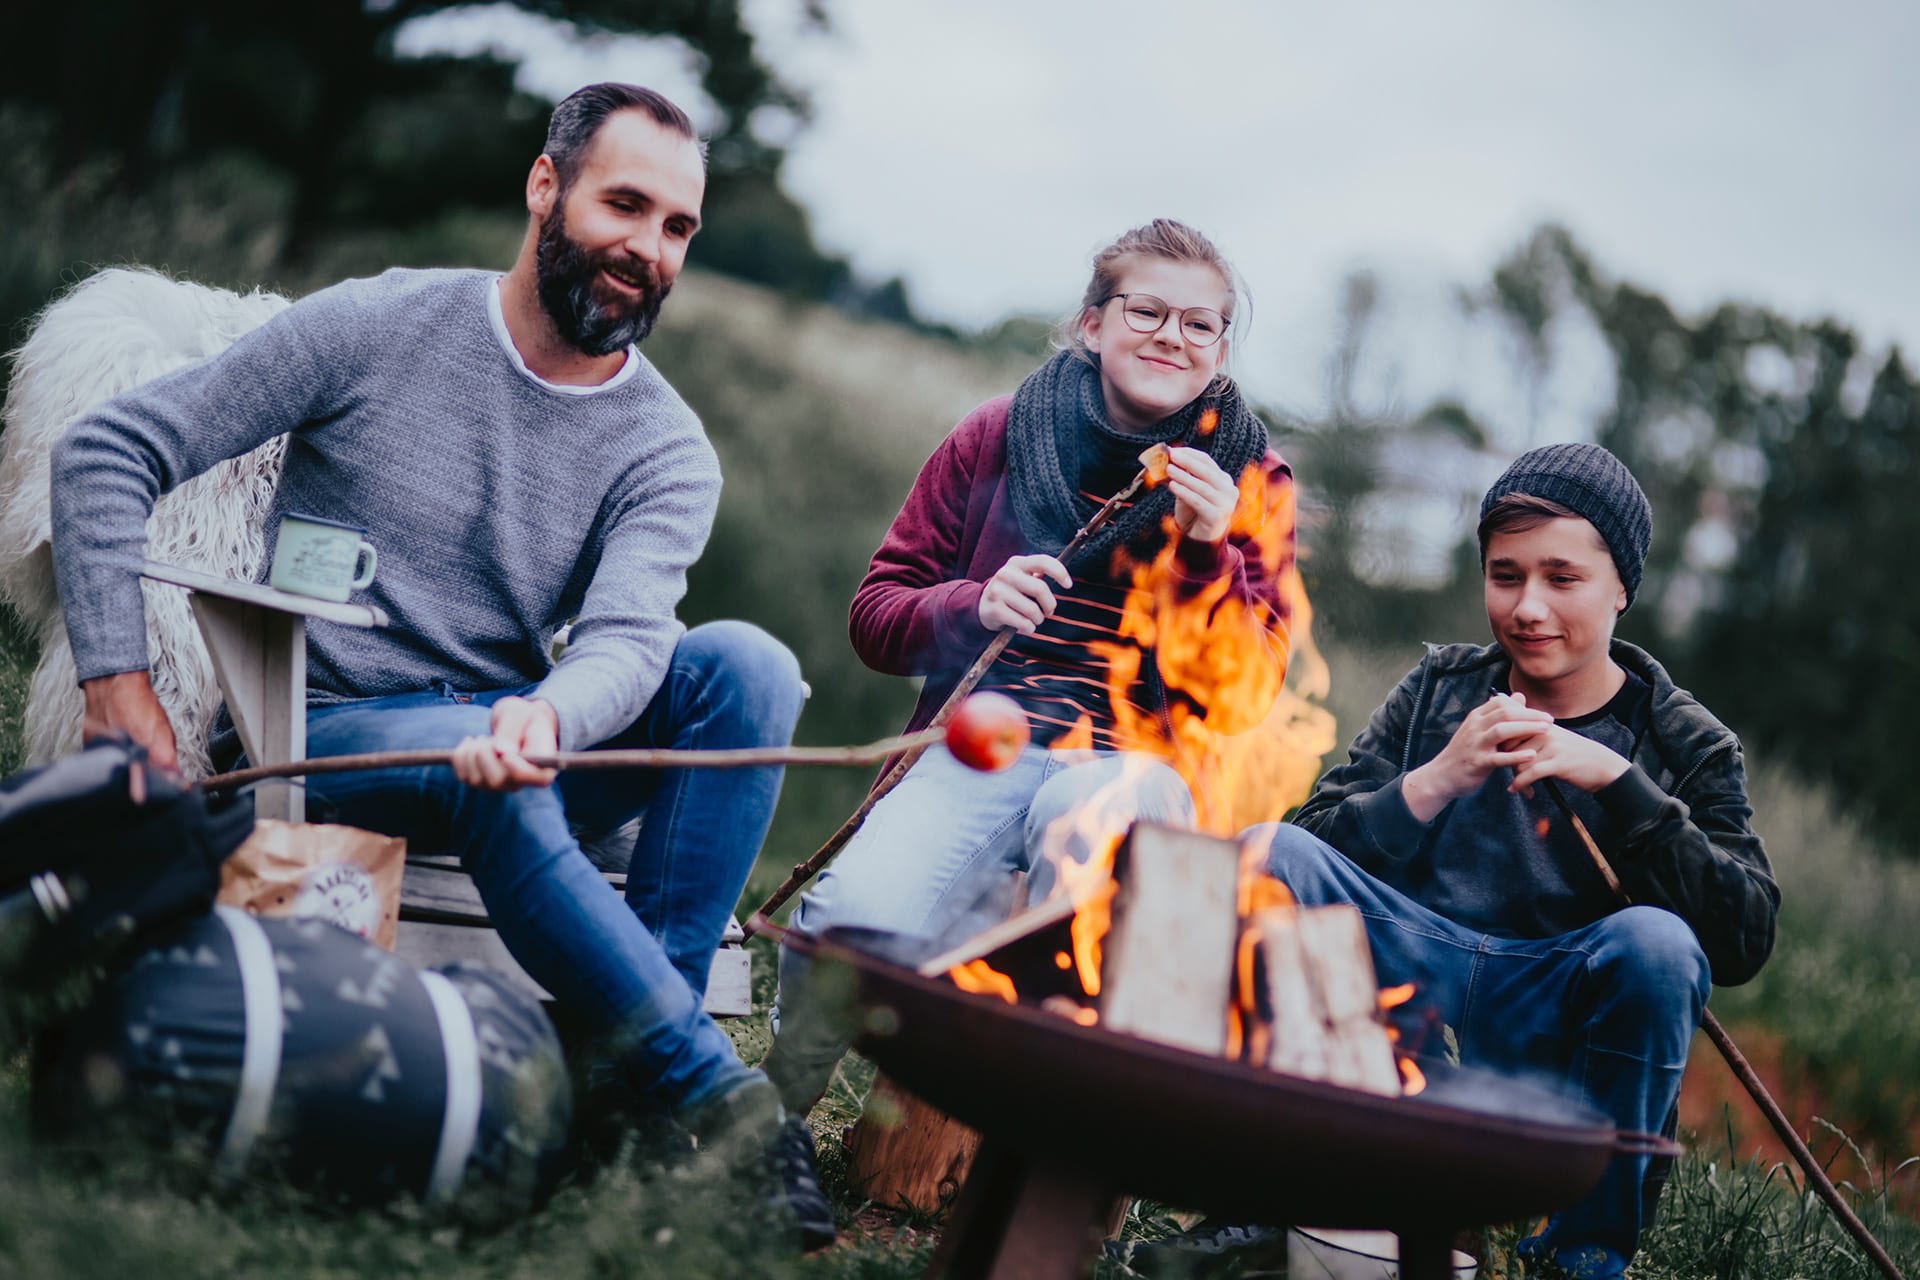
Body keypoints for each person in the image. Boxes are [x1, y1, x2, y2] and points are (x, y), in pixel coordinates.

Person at [48, 83, 831, 1245]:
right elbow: (108, 449)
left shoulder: (669, 446)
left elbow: (626, 639)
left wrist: (548, 717)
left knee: (746, 666)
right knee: (493, 770)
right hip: (323, 735)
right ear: (545, 185)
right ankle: (723, 1101)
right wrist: (119, 681)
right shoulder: (377, 325)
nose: (649, 252)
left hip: (512, 732)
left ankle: (626, 1077)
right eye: (626, 205)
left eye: (678, 229)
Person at [765, 219, 1295, 1117]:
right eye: (1148, 311)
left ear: (1221, 348)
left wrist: (1208, 551)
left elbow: (1244, 699)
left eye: (1200, 324)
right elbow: (875, 614)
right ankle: (771, 1125)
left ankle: (1037, 1152)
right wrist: (971, 605)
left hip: (1135, 763)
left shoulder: (1252, 482)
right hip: (977, 744)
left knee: (1093, 861)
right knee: (852, 915)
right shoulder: (997, 435)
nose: (1172, 336)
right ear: (1092, 324)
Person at [1246, 444, 1779, 1278]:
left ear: (1621, 588)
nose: (1528, 607)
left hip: (1553, 1011)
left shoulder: (1685, 739)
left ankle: (1582, 1255)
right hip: (1410, 977)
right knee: (1275, 853)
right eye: (1506, 576)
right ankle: (1257, 1201)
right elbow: (1310, 842)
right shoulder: (1441, 688)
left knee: (1658, 944)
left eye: (1561, 578)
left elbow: (1743, 937)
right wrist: (1434, 781)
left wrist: (1618, 782)